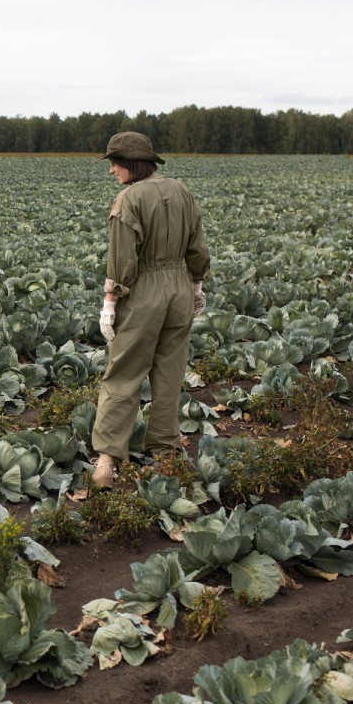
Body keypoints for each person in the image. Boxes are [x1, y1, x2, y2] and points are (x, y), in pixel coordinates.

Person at [90, 132, 210, 488]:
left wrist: (110, 302)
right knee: (170, 372)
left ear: (131, 163)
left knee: (123, 373)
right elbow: (197, 247)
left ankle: (107, 460)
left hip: (144, 292)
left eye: (114, 163)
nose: (111, 170)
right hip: (179, 290)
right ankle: (166, 454)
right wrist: (196, 285)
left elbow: (122, 261)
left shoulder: (129, 200)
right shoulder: (182, 191)